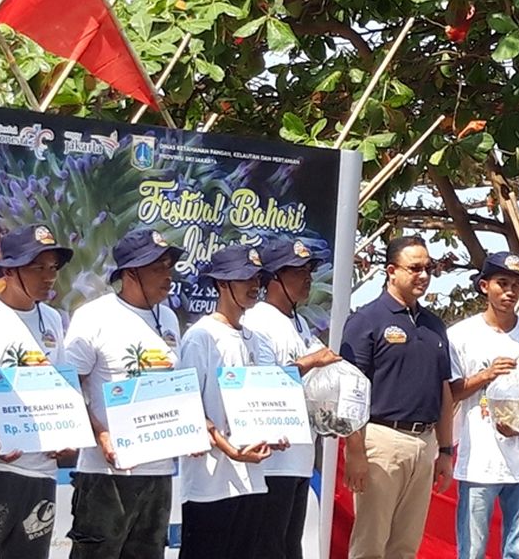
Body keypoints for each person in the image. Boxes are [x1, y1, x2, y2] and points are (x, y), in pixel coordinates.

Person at [0, 223, 75, 559]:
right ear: (9, 270)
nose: (49, 276)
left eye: (53, 267)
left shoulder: (52, 319)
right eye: (38, 267)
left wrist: (67, 432)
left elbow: (59, 385)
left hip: (41, 472)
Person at [62, 228, 185, 559]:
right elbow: (66, 387)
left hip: (158, 473)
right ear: (131, 273)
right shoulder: (94, 317)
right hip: (106, 475)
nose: (168, 275)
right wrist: (100, 434)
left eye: (169, 265)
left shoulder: (169, 318)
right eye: (158, 267)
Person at [340, 235, 454, 559]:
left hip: (425, 443)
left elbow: (443, 390)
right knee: (370, 545)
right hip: (381, 439)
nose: (423, 275)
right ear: (391, 270)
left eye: (428, 268)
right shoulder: (366, 320)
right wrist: (355, 450)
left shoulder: (434, 325)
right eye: (414, 268)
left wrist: (445, 450)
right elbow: (351, 389)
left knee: (405, 548)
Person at [448, 251, 519, 559]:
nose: (510, 291)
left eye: (516, 284)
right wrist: (486, 374)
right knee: (471, 550)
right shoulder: (460, 335)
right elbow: (451, 392)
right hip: (478, 462)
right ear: (484, 286)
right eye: (502, 283)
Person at [242, 235, 342, 559]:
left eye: (310, 270)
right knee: (267, 547)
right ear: (274, 278)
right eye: (298, 271)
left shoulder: (299, 322)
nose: (308, 278)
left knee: (289, 547)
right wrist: (312, 361)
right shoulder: (257, 320)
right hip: (273, 460)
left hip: (299, 458)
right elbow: (263, 383)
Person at [178, 243, 280, 559]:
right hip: (210, 484)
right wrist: (231, 451)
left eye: (258, 279)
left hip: (251, 481)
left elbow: (269, 399)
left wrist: (276, 432)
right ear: (222, 283)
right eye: (244, 278)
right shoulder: (201, 336)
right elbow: (187, 407)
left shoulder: (256, 338)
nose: (254, 286)